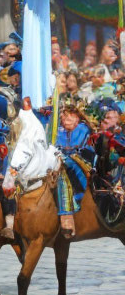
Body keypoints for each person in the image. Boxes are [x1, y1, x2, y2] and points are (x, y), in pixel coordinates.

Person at [55, 101, 92, 239]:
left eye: (70, 116)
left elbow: (78, 148)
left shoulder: (83, 129)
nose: (66, 120)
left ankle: (68, 211)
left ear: (77, 117)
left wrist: (63, 154)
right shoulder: (59, 130)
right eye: (63, 117)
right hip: (62, 160)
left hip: (82, 161)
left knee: (66, 166)